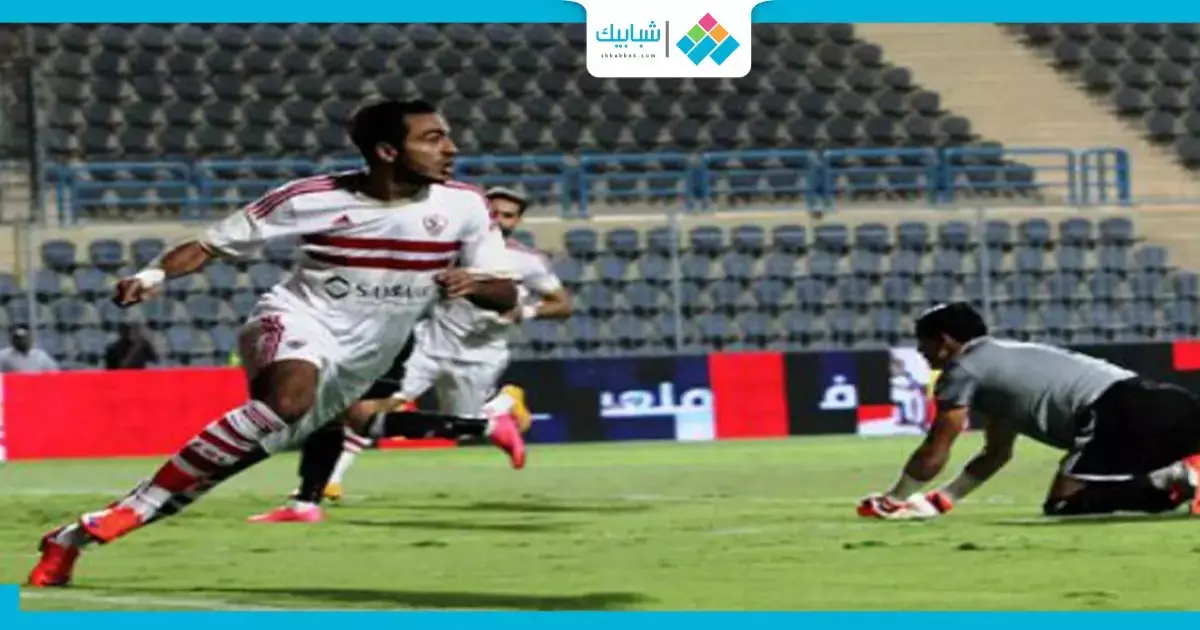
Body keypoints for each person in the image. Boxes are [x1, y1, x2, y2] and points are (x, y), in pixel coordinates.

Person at [27, 99, 526, 588]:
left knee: (219, 467)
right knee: (288, 399)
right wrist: (151, 274)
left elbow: (504, 292)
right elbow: (208, 244)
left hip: (365, 359)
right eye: (433, 138)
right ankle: (121, 516)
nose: (450, 148)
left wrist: (475, 284)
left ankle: (73, 538)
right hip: (298, 319)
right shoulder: (309, 197)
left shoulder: (464, 205)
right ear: (387, 151)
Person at [250, 186, 574, 522]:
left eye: (509, 215)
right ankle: (324, 486)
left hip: (480, 356)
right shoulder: (447, 249)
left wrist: (526, 311)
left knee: (459, 425)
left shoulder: (527, 262)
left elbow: (563, 304)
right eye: (494, 212)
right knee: (366, 409)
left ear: (517, 221)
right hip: (428, 344)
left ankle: (501, 406)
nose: (500, 220)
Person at [858, 301, 1200, 521]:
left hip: (1120, 411)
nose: (920, 350)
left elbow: (934, 451)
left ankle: (1178, 478)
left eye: (923, 341)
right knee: (1117, 490)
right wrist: (941, 501)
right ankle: (1181, 477)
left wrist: (892, 501)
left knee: (1064, 504)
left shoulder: (962, 371)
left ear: (945, 341)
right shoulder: (1003, 361)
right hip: (1169, 402)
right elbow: (996, 453)